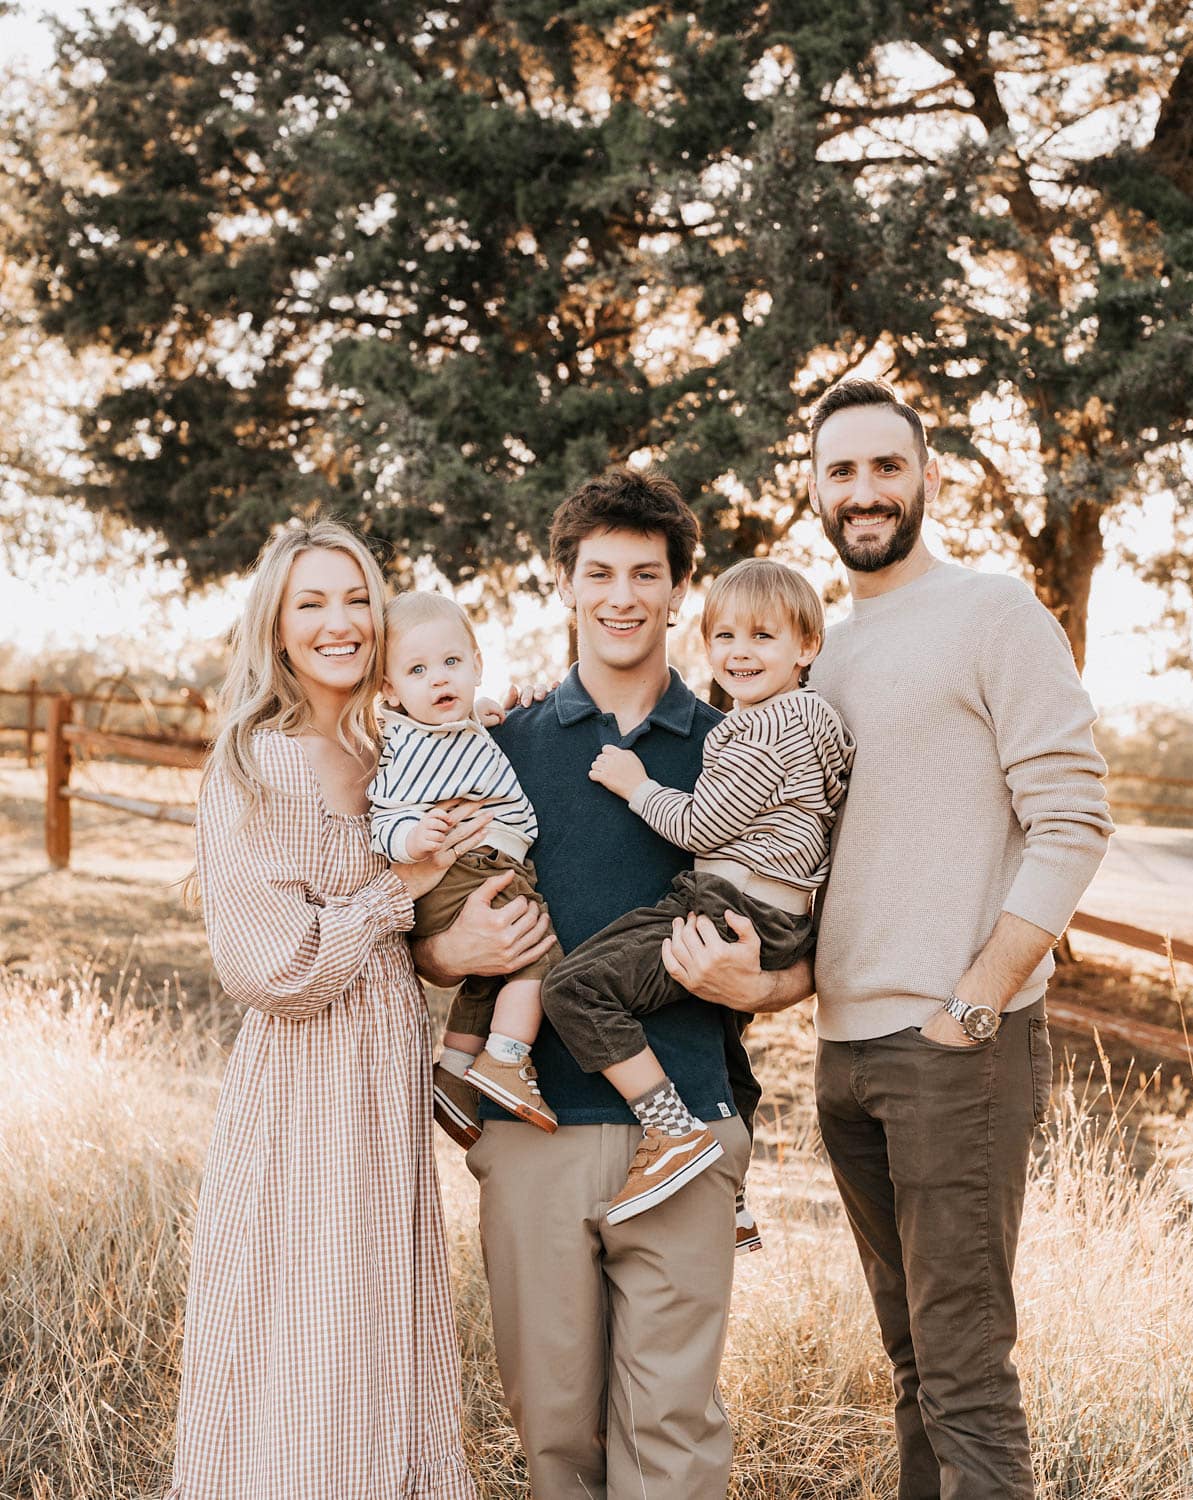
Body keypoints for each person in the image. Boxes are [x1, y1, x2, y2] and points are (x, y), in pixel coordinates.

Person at [412, 468, 813, 1499]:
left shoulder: (743, 746)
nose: (623, 595)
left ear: (682, 589)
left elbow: (813, 938)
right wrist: (453, 955)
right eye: (601, 573)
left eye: (648, 573)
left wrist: (761, 988)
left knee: (671, 1443)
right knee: (554, 1441)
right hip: (533, 1132)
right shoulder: (499, 747)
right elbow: (422, 929)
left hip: (685, 1121)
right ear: (566, 584)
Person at [806, 378, 1114, 1499]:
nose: (866, 491)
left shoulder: (996, 615)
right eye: (842, 470)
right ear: (814, 489)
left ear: (928, 478)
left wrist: (975, 999)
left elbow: (1074, 820)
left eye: (887, 466)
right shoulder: (821, 657)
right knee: (914, 1369)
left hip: (955, 1053)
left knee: (968, 1378)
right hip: (845, 1060)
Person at [169, 520, 482, 1500]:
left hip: (387, 1064)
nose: (340, 622)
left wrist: (445, 940)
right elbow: (271, 966)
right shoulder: (254, 763)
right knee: (296, 1316)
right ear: (278, 625)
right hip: (303, 1075)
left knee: (384, 1310)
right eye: (312, 602)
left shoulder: (406, 748)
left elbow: (431, 924)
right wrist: (396, 894)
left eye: (356, 599)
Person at [542, 557, 854, 1225]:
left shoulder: (757, 730)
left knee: (575, 987)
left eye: (763, 637)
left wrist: (635, 783)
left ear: (807, 646)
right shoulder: (822, 723)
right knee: (725, 1042)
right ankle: (734, 1198)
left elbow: (700, 823)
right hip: (780, 919)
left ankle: (670, 1131)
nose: (740, 653)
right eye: (725, 637)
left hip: (728, 906)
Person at [368, 589, 562, 1134]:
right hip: (464, 869)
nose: (438, 679)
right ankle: (505, 1057)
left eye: (452, 663)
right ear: (391, 688)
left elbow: (461, 732)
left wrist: (478, 712)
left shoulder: (457, 727)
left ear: (477, 665)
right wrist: (414, 838)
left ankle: (453, 1072)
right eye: (418, 669)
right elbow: (382, 820)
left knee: (490, 975)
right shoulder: (403, 743)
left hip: (487, 865)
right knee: (537, 953)